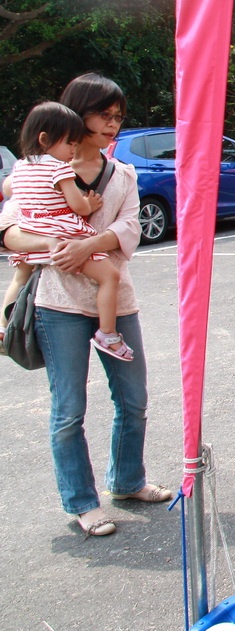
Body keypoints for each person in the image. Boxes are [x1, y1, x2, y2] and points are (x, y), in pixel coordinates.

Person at [0, 73, 171, 537]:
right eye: (104, 115)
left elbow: (133, 229)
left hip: (117, 299)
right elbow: (8, 230)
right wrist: (59, 243)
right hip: (58, 304)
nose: (113, 125)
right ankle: (82, 502)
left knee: (133, 400)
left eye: (119, 117)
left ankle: (128, 481)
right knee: (69, 409)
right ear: (78, 113)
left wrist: (89, 244)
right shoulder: (35, 170)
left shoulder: (125, 174)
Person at [4, 103, 130, 361]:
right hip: (63, 237)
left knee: (19, 279)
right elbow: (77, 205)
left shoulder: (20, 167)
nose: (72, 150)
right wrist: (90, 204)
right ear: (44, 139)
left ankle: (5, 328)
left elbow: (10, 192)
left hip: (31, 236)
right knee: (109, 277)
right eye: (70, 143)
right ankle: (108, 333)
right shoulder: (60, 168)